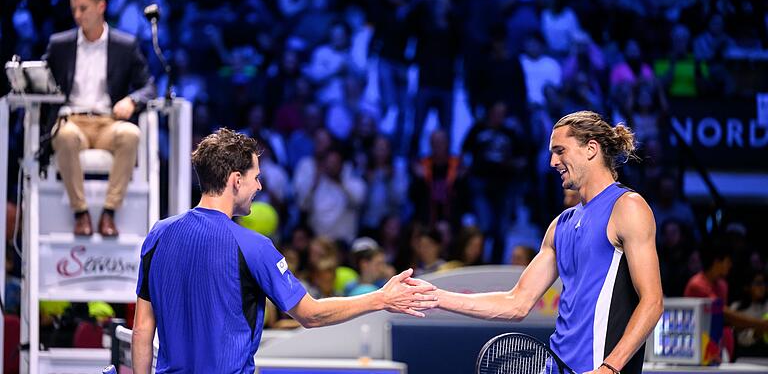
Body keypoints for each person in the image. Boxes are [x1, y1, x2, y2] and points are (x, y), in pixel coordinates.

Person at [131, 128, 437, 373]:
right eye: (256, 177)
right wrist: (381, 298)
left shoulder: (158, 235)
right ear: (236, 180)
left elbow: (142, 329)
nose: (260, 187)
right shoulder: (253, 246)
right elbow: (311, 315)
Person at [413, 111, 664, 374]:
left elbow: (652, 301)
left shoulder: (628, 207)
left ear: (591, 149)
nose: (553, 161)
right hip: (554, 368)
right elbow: (516, 302)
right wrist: (434, 297)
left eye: (560, 151)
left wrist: (610, 368)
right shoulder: (559, 225)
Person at [42, 0, 156, 237]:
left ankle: (109, 212)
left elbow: (149, 86)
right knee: (64, 135)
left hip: (108, 122)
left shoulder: (125, 46)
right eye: (74, 9)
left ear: (101, 6)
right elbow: (43, 79)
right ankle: (80, 212)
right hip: (73, 120)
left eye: (83, 8)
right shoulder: (60, 45)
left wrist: (132, 100)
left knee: (131, 135)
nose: (77, 15)